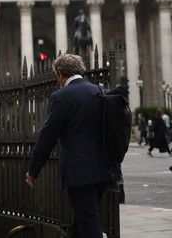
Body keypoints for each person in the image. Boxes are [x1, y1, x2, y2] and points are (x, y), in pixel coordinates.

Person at [25, 53, 110, 238]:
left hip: (79, 173)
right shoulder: (101, 92)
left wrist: (33, 170)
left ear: (61, 74)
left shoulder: (61, 97)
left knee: (89, 225)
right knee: (82, 222)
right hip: (103, 169)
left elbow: (47, 136)